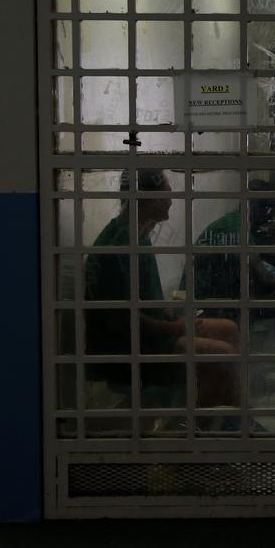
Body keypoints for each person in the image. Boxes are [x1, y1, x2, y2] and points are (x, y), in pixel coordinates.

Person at [84, 169, 239, 409]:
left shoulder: (138, 234)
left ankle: (231, 417)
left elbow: (137, 300)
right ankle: (199, 432)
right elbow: (121, 321)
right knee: (223, 356)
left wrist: (167, 312)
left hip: (148, 337)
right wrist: (174, 327)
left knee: (228, 329)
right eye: (167, 194)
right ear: (149, 199)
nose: (171, 200)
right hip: (131, 352)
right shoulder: (120, 245)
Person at [190, 179, 275, 405]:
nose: (273, 215)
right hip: (216, 302)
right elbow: (263, 276)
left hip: (230, 294)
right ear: (259, 207)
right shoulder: (237, 228)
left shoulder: (242, 226)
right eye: (270, 208)